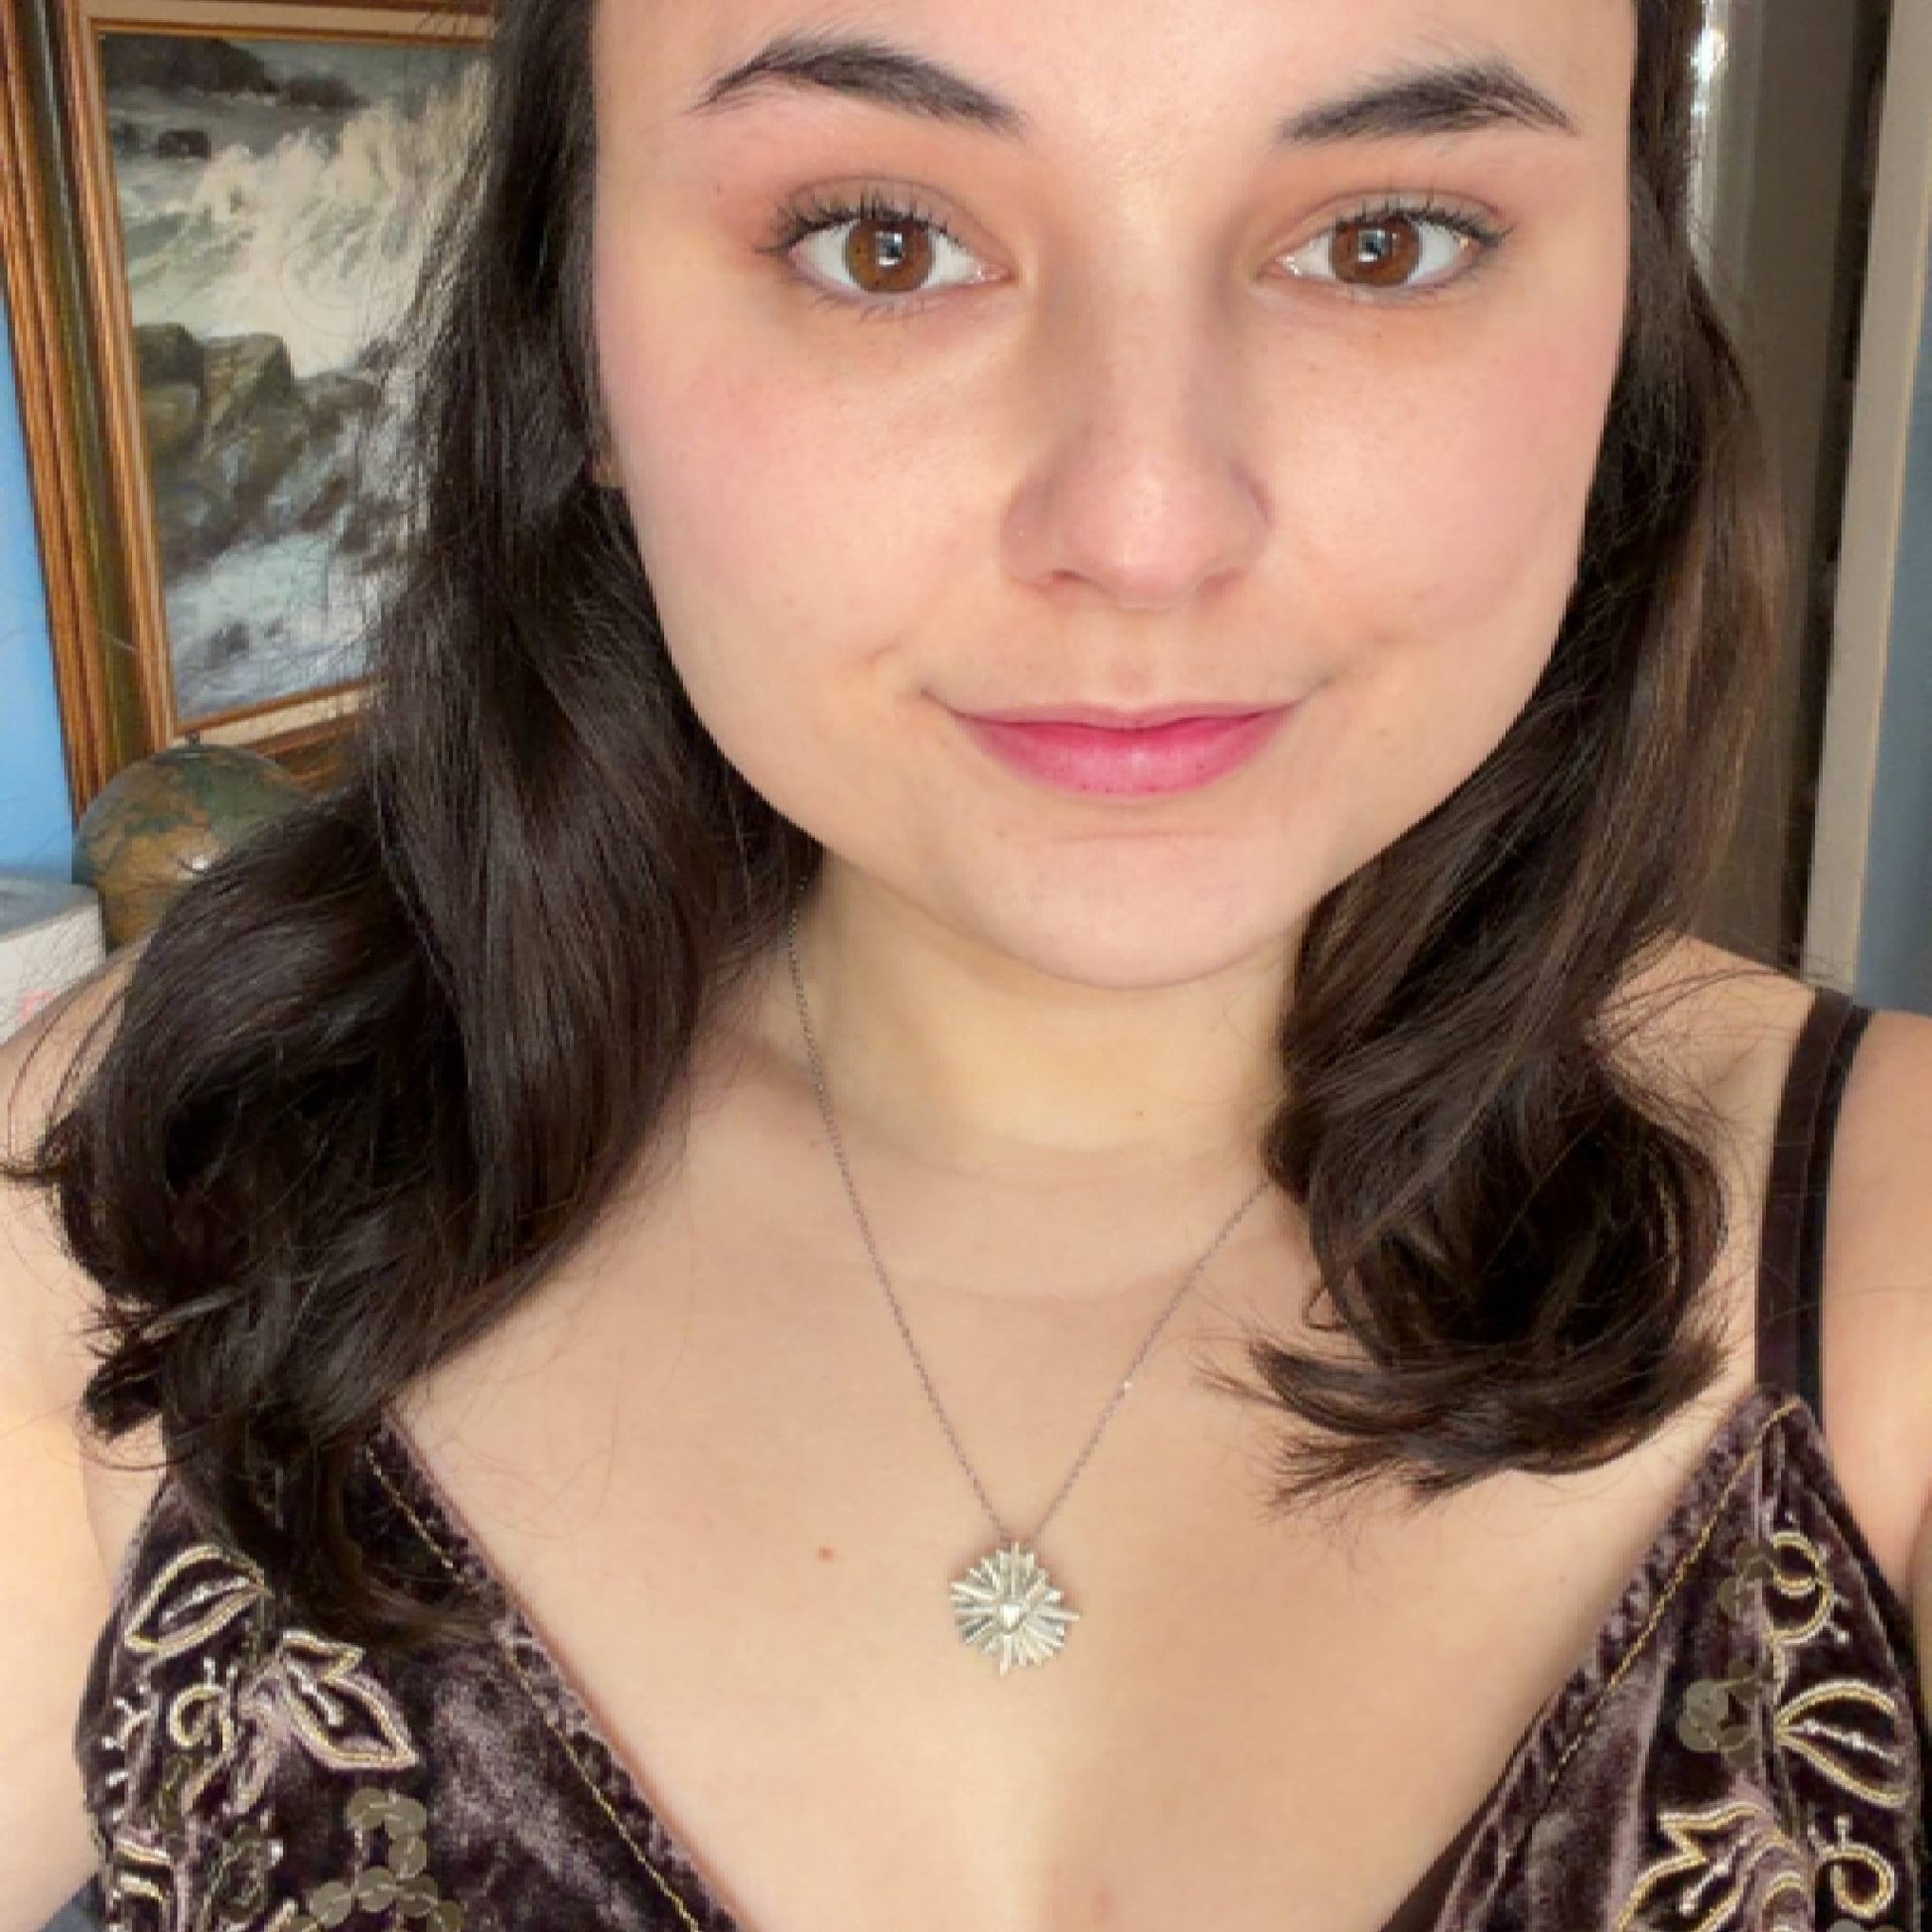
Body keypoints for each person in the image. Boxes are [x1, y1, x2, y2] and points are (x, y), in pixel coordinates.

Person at [2, 0, 1928, 1925]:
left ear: (1621, 329)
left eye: (1381, 241)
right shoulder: (154, 1179)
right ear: (572, 328)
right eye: (882, 242)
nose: (1146, 528)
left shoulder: (1892, 1261)